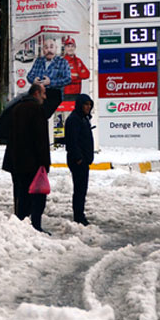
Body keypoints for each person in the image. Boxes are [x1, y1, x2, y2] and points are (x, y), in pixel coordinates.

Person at [1, 83, 51, 234]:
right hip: (33, 163)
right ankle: (35, 226)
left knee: (20, 194)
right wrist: (44, 163)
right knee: (37, 195)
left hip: (16, 161)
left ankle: (21, 222)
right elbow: (40, 139)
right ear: (36, 93)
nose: (45, 97)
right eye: (43, 93)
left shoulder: (16, 109)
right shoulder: (37, 110)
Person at [64, 94, 94, 226]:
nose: (88, 107)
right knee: (79, 189)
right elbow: (72, 142)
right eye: (85, 104)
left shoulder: (83, 118)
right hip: (78, 161)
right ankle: (78, 216)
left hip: (84, 160)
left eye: (89, 104)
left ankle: (80, 214)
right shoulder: (74, 119)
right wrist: (79, 158)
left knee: (82, 189)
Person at [26, 37, 71, 118]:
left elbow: (68, 79)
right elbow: (29, 76)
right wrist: (34, 80)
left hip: (54, 94)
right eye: (46, 47)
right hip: (38, 94)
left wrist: (51, 82)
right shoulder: (38, 61)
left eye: (51, 47)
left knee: (43, 116)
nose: (49, 50)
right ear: (43, 50)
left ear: (56, 48)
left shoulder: (62, 62)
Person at [62, 37, 90, 101]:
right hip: (67, 94)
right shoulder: (62, 61)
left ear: (75, 47)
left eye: (72, 46)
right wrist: (80, 75)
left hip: (77, 93)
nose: (70, 48)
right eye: (68, 46)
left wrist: (77, 75)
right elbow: (65, 78)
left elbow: (87, 74)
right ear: (65, 48)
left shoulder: (78, 61)